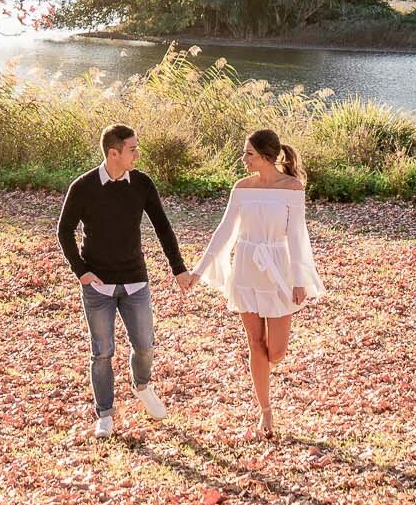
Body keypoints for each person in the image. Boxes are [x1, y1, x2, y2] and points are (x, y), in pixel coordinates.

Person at [177, 127, 323, 437]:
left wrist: (299, 280)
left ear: (267, 156)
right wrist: (198, 271)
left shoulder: (292, 188)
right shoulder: (241, 188)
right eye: (245, 153)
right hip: (245, 267)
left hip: (278, 269)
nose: (244, 159)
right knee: (255, 343)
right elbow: (224, 232)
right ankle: (265, 412)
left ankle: (266, 375)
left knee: (277, 351)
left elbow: (297, 236)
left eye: (249, 154)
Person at [57, 123, 188, 437]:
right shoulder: (84, 186)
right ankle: (105, 413)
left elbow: (163, 228)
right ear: (113, 153)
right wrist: (81, 271)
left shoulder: (141, 184)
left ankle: (142, 385)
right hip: (98, 286)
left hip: (135, 282)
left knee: (145, 346)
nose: (138, 153)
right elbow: (64, 231)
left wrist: (178, 268)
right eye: (132, 149)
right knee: (102, 352)